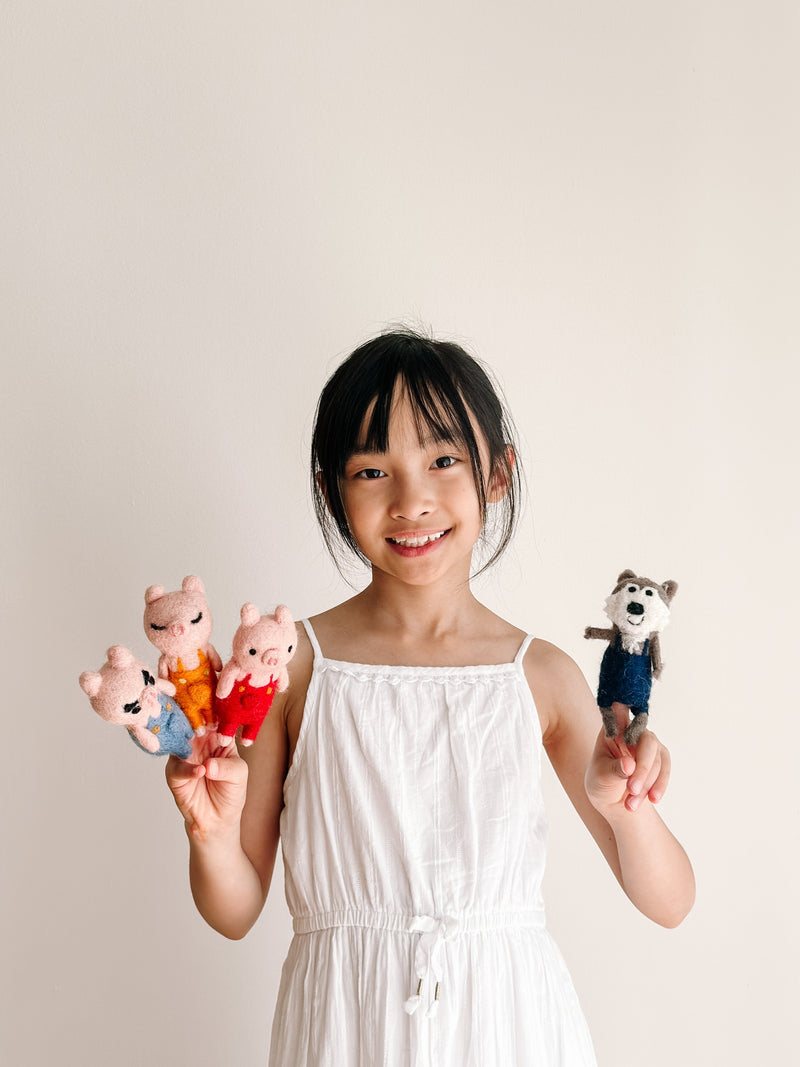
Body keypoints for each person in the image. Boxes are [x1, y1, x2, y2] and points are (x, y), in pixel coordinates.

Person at [166, 329, 695, 1066]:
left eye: (444, 460)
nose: (412, 500)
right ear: (331, 488)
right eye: (373, 470)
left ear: (498, 474)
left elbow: (668, 901)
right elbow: (234, 908)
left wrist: (627, 806)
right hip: (346, 1032)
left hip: (510, 1029)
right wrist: (211, 835)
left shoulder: (539, 672)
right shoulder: (290, 666)